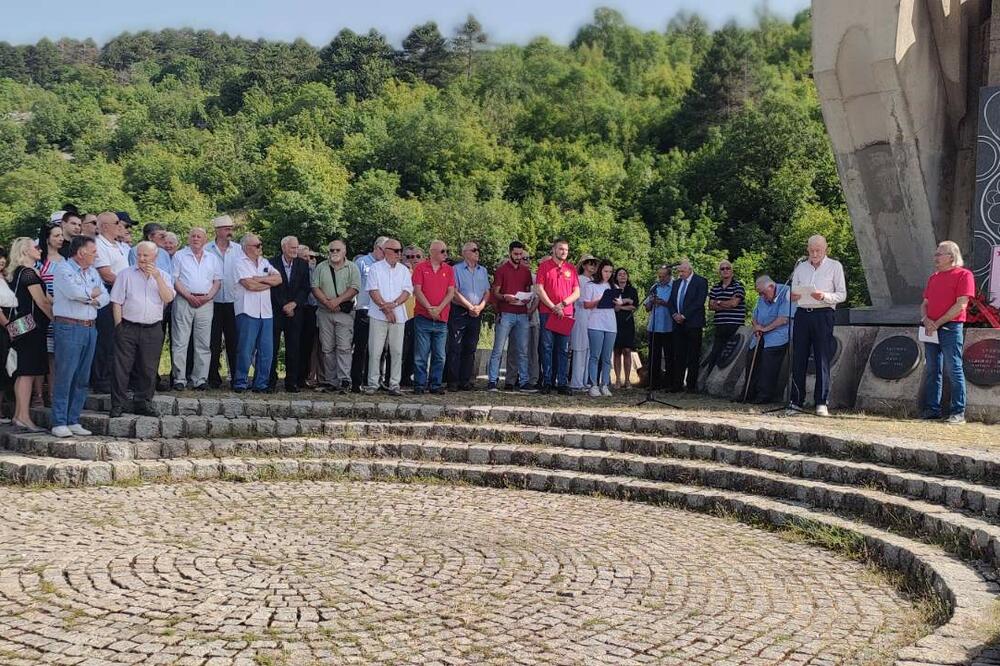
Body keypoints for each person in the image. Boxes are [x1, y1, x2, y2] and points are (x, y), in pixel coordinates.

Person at [109, 241, 175, 418]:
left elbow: (168, 298)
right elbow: (117, 301)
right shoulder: (125, 274)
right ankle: (117, 404)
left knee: (148, 368)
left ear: (155, 256)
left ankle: (143, 402)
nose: (142, 259)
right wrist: (118, 326)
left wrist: (158, 278)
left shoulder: (163, 275)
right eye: (139, 255)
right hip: (128, 326)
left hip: (152, 328)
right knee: (121, 368)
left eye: (146, 255)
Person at [50, 236, 107, 438]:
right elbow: (74, 292)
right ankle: (59, 421)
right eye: (93, 251)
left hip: (90, 327)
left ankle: (73, 419)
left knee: (82, 377)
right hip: (69, 326)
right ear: (81, 252)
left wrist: (91, 297)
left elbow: (105, 296)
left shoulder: (92, 271)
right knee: (66, 375)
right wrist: (91, 294)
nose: (96, 254)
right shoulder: (63, 269)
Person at [788, 235, 847, 417]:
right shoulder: (800, 267)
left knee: (822, 358)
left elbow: (842, 294)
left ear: (825, 249)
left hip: (823, 314)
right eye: (811, 250)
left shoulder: (835, 266)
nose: (814, 254)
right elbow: (790, 292)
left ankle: (821, 401)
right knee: (799, 358)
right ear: (807, 249)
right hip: (802, 314)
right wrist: (792, 296)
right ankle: (796, 401)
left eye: (818, 250)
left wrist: (824, 296)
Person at [920, 240, 976, 424]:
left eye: (939, 254)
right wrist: (926, 320)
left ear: (951, 256)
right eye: (936, 254)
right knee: (932, 369)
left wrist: (937, 323)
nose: (935, 257)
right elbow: (925, 304)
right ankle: (932, 410)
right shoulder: (933, 277)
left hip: (950, 328)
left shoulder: (964, 275)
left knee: (953, 368)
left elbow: (961, 304)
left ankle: (958, 412)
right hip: (930, 328)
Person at [6, 238, 53, 431]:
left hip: (19, 326)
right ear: (25, 251)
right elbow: (42, 302)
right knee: (28, 371)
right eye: (35, 247)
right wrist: (55, 319)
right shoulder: (28, 273)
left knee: (22, 371)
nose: (39, 249)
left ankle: (19, 415)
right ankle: (24, 416)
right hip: (31, 326)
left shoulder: (17, 273)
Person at [171, 227, 222, 391]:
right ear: (188, 239)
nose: (195, 238)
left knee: (203, 342)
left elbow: (217, 281)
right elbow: (175, 279)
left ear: (205, 239)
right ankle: (179, 378)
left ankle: (200, 379)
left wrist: (208, 297)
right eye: (193, 236)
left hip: (206, 302)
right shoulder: (180, 255)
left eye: (199, 236)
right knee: (180, 341)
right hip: (184, 300)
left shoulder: (212, 258)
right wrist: (188, 295)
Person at [232, 234, 282, 393]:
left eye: (261, 244)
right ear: (247, 247)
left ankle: (261, 383)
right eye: (257, 245)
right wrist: (268, 282)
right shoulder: (239, 263)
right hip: (247, 310)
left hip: (266, 312)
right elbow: (249, 285)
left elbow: (279, 279)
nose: (261, 248)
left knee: (266, 350)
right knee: (245, 349)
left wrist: (259, 279)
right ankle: (240, 381)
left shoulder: (264, 262)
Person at [364, 238, 412, 396]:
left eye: (400, 250)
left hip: (399, 315)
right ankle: (372, 383)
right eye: (396, 251)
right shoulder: (375, 268)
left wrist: (394, 304)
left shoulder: (404, 270)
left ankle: (394, 384)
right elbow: (372, 290)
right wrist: (386, 308)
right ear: (386, 251)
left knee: (397, 351)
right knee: (375, 350)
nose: (399, 254)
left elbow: (407, 291)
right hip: (378, 315)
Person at [312, 239, 361, 392]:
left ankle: (345, 379)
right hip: (324, 313)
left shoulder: (352, 267)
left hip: (344, 313)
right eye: (331, 250)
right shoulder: (321, 267)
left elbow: (354, 288)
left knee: (344, 347)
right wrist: (327, 303)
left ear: (344, 251)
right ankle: (331, 381)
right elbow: (315, 287)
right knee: (327, 348)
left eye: (337, 250)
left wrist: (337, 301)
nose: (334, 253)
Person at [488, 241, 536, 392]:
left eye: (520, 254)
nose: (518, 257)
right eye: (515, 254)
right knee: (498, 348)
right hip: (507, 312)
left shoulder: (525, 271)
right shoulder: (502, 270)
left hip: (521, 313)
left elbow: (528, 290)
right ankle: (492, 381)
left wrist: (527, 299)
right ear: (509, 253)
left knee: (522, 349)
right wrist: (505, 297)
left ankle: (523, 381)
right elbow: (495, 292)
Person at [535, 238, 580, 395]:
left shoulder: (571, 268)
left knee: (563, 350)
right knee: (546, 348)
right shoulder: (544, 267)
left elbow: (577, 292)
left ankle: (562, 383)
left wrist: (562, 304)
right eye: (561, 249)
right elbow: (539, 289)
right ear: (554, 250)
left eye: (566, 250)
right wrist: (553, 306)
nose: (564, 252)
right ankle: (547, 382)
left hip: (565, 315)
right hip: (548, 313)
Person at [411, 240, 456, 394]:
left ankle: (435, 384)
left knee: (440, 355)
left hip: (441, 318)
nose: (446, 254)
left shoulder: (449, 270)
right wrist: (430, 308)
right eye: (443, 251)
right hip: (423, 316)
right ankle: (419, 384)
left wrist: (439, 308)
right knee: (421, 355)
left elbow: (451, 292)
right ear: (433, 252)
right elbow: (417, 290)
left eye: (446, 251)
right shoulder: (421, 268)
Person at [90, 212, 128, 393]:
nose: (120, 225)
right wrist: (128, 286)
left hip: (121, 292)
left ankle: (113, 376)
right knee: (106, 336)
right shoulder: (99, 245)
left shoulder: (117, 245)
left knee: (117, 337)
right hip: (108, 293)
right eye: (116, 222)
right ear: (104, 226)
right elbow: (105, 273)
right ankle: (101, 379)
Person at [269, 236, 311, 393]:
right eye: (293, 248)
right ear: (284, 247)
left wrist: (294, 304)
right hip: (276, 311)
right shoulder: (271, 263)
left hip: (295, 311)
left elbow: (305, 288)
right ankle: (270, 381)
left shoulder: (302, 264)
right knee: (272, 347)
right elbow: (271, 286)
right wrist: (284, 305)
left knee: (293, 347)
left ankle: (291, 382)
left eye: (296, 247)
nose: (295, 250)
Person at [206, 215, 243, 389]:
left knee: (234, 340)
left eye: (231, 229)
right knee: (212, 341)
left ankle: (236, 377)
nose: (230, 232)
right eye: (227, 229)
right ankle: (212, 377)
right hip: (211, 301)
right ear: (218, 230)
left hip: (233, 301)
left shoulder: (239, 249)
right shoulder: (206, 249)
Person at [448, 241, 490, 391]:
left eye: (478, 250)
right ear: (464, 253)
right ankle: (452, 381)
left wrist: (480, 307)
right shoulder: (456, 269)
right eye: (474, 250)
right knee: (455, 346)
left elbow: (487, 292)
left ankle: (465, 380)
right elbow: (454, 292)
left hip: (477, 313)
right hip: (460, 311)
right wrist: (469, 306)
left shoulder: (483, 271)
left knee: (470, 347)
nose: (477, 252)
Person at [745, 276, 794, 404]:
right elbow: (755, 315)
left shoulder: (787, 292)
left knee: (768, 361)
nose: (761, 296)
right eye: (759, 293)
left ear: (771, 287)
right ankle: (747, 393)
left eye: (763, 293)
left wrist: (765, 329)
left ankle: (764, 395)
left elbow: (784, 319)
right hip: (761, 332)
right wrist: (756, 326)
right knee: (751, 358)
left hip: (778, 333)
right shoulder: (762, 296)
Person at [352, 237, 387, 392]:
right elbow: (354, 286)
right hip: (364, 309)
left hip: (383, 311)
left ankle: (376, 380)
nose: (386, 253)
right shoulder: (362, 263)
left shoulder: (388, 266)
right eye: (384, 250)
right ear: (376, 248)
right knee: (361, 347)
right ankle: (357, 381)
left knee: (381, 348)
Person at [668, 259, 708, 392]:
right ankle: (677, 384)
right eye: (679, 271)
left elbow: (699, 302)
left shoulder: (700, 281)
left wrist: (683, 315)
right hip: (677, 324)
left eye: (683, 271)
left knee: (693, 355)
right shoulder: (676, 283)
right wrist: (675, 314)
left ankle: (691, 385)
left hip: (693, 323)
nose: (680, 273)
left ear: (690, 270)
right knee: (678, 354)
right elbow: (671, 301)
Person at [36, 222, 65, 404]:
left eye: (61, 235)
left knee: (55, 356)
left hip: (60, 311)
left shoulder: (65, 260)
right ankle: (37, 396)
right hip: (42, 311)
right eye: (56, 235)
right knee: (40, 355)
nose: (60, 238)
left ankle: (54, 395)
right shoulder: (39, 261)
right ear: (47, 238)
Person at [582, 260, 617, 397]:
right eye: (605, 271)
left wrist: (619, 302)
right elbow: (586, 305)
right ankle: (593, 384)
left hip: (611, 324)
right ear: (600, 271)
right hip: (595, 323)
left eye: (610, 272)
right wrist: (600, 299)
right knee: (595, 355)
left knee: (607, 357)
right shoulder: (591, 285)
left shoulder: (613, 286)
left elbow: (616, 306)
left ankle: (605, 384)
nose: (607, 274)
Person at [705, 259, 746, 371]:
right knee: (715, 354)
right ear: (719, 272)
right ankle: (707, 384)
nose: (725, 270)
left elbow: (734, 303)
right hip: (720, 325)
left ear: (732, 271)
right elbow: (711, 306)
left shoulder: (738, 286)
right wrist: (727, 303)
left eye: (728, 268)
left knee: (731, 356)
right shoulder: (715, 287)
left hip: (735, 326)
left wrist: (718, 302)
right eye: (722, 269)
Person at [569, 255, 598, 392]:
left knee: (588, 349)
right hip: (581, 314)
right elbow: (579, 300)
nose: (592, 266)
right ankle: (576, 381)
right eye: (590, 264)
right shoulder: (579, 279)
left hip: (592, 316)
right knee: (580, 348)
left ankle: (585, 380)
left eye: (594, 264)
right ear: (584, 265)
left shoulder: (594, 281)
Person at [642, 266, 672, 391]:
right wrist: (651, 302)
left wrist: (663, 302)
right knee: (654, 356)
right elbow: (647, 308)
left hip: (669, 326)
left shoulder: (674, 286)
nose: (661, 279)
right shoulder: (655, 287)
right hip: (654, 326)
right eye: (659, 276)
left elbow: (676, 304)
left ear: (669, 275)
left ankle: (669, 383)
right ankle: (653, 383)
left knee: (670, 356)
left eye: (663, 276)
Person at [400, 244, 424, 387]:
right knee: (400, 349)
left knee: (416, 349)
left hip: (419, 315)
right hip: (402, 315)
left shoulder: (426, 273)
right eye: (409, 256)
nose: (413, 259)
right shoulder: (399, 273)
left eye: (417, 256)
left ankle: (408, 376)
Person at [297, 245, 320, 389]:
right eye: (305, 256)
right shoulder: (296, 270)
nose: (309, 260)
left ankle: (304, 376)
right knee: (296, 344)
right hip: (298, 308)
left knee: (308, 345)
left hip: (311, 309)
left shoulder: (314, 270)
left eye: (311, 257)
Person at [0, 247, 13, 421]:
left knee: (5, 367)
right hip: (4, 327)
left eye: (3, 257)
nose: (2, 260)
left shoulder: (8, 278)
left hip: (8, 327)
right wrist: (11, 328)